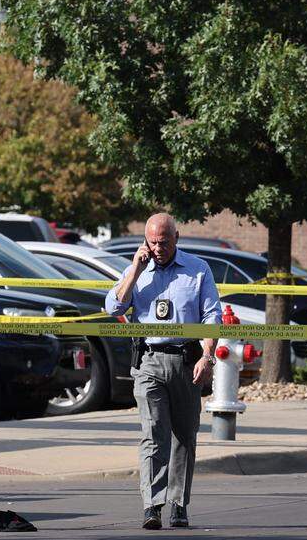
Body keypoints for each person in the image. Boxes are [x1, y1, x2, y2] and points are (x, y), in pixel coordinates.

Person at [105, 213, 220, 530]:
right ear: (145, 240)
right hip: (149, 362)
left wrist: (207, 356)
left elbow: (212, 317)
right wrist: (135, 271)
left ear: (177, 238)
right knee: (153, 435)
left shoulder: (197, 270)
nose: (158, 248)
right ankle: (152, 506)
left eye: (164, 242)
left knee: (184, 436)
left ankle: (179, 504)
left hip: (186, 362)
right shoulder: (137, 269)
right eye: (153, 242)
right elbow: (112, 307)